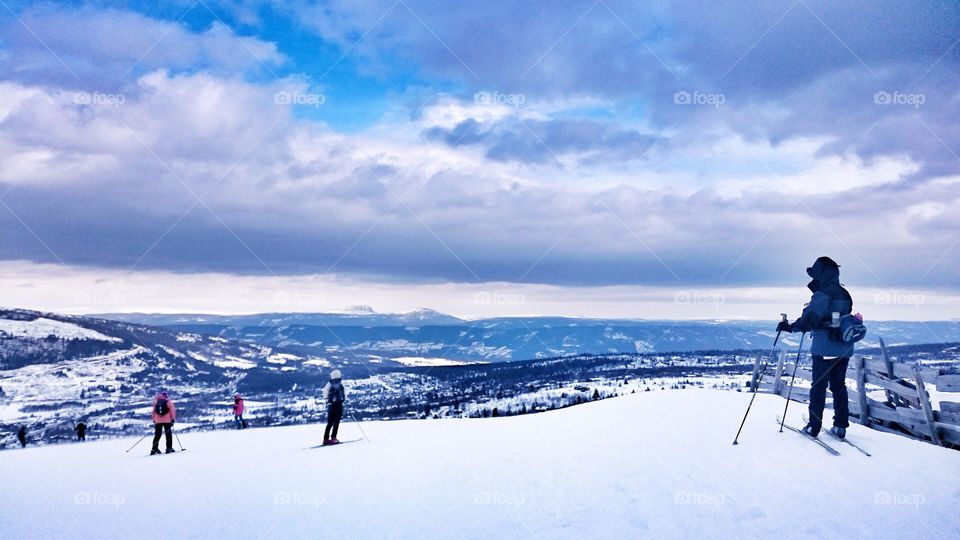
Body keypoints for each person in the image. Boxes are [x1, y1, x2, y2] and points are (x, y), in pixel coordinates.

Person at [777, 256, 854, 439]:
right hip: (844, 348)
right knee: (839, 386)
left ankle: (814, 426)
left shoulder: (823, 294)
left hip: (824, 348)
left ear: (821, 274)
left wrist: (789, 327)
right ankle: (840, 426)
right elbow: (842, 316)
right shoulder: (845, 293)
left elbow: (809, 320)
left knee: (819, 386)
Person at [322, 370, 346, 445]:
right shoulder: (341, 384)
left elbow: (325, 393)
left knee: (329, 422)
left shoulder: (329, 384)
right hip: (339, 404)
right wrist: (343, 400)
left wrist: (327, 400)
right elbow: (344, 393)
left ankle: (326, 439)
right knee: (336, 422)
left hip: (331, 405)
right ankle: (333, 437)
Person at [150, 391, 177, 455]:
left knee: (157, 435)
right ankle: (169, 448)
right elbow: (172, 411)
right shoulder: (168, 402)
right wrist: (172, 420)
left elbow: (153, 412)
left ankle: (154, 449)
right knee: (168, 435)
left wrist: (154, 420)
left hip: (158, 421)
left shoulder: (156, 402)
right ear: (166, 395)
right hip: (167, 421)